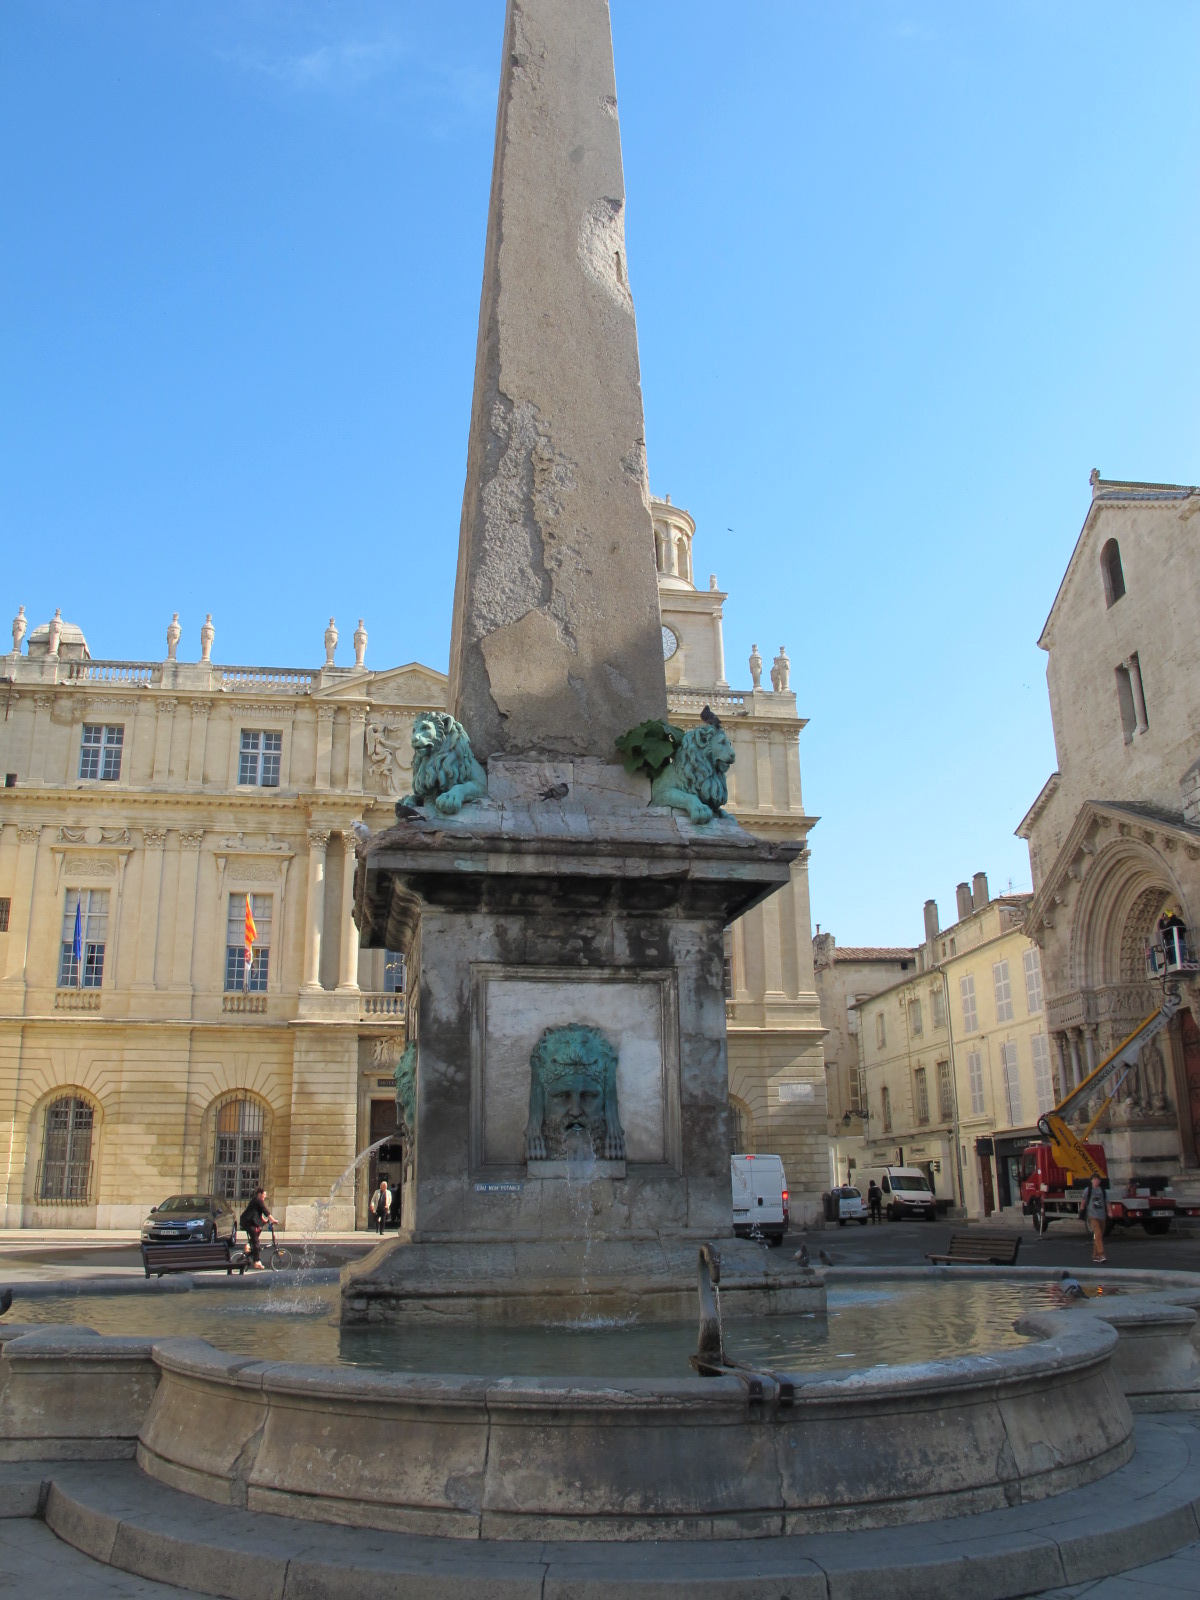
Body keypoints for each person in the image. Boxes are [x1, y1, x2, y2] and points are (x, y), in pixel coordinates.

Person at [239, 1187, 277, 1270]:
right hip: (248, 1222)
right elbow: (265, 1211)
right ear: (259, 1194)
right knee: (256, 1241)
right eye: (264, 1195)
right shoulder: (258, 1200)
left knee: (259, 1229)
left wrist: (265, 1221)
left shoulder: (256, 1201)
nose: (264, 1196)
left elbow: (259, 1214)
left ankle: (248, 1246)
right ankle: (257, 1262)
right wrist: (273, 1220)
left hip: (250, 1221)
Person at [1081, 1174, 1108, 1264]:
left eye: (1098, 1179)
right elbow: (1083, 1200)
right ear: (1091, 1180)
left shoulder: (1102, 1190)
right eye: (1095, 1179)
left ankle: (1095, 1255)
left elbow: (1107, 1202)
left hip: (1102, 1215)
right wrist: (1082, 1210)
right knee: (1098, 1234)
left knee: (1099, 1236)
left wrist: (1110, 1212)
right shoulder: (1088, 1190)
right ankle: (1101, 1254)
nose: (1096, 1181)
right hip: (1092, 1216)